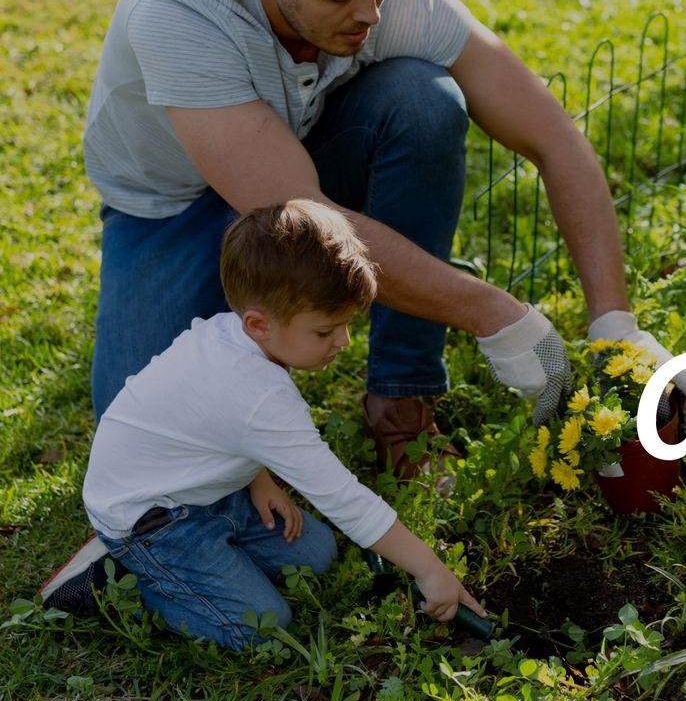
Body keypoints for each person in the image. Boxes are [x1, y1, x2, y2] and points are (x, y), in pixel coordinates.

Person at [81, 0, 686, 472]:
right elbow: (304, 218)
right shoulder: (183, 17)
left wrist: (614, 324)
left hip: (295, 159)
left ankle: (402, 404)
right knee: (142, 436)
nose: (370, 13)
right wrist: (494, 312)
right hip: (173, 208)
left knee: (423, 99)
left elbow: (554, 137)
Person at [46, 200, 484, 649]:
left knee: (317, 555)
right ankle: (117, 580)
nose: (344, 341)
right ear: (259, 324)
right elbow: (344, 498)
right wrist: (431, 569)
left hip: (195, 486)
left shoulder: (238, 335)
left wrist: (258, 478)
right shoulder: (259, 396)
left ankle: (206, 558)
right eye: (325, 331)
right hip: (147, 518)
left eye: (348, 324)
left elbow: (216, 424)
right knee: (261, 626)